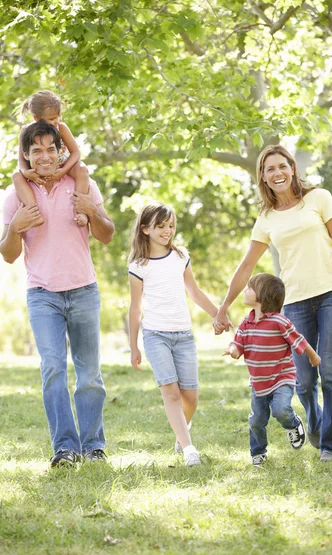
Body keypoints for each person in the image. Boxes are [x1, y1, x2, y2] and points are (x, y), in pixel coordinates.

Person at [214, 145, 332, 462]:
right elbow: (247, 266)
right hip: (293, 302)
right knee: (304, 382)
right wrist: (224, 306)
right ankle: (317, 425)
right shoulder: (265, 218)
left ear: (292, 168)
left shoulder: (319, 198)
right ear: (263, 178)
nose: (277, 173)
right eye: (270, 169)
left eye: (282, 166)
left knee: (330, 371)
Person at [0, 120, 115, 467]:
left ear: (60, 151)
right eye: (37, 150)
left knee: (89, 373)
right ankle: (65, 448)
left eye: (51, 149)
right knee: (52, 369)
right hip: (43, 294)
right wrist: (15, 229)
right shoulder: (14, 195)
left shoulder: (81, 184)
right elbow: (8, 254)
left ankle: (94, 446)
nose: (45, 156)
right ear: (26, 155)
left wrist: (93, 211)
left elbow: (107, 234)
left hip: (83, 290)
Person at [128, 202, 218, 467]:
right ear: (145, 229)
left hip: (184, 335)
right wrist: (134, 346)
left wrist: (217, 314)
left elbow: (195, 292)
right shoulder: (138, 265)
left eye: (170, 226)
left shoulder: (180, 257)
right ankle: (189, 449)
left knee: (191, 397)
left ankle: (181, 436)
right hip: (156, 335)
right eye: (160, 226)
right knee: (172, 393)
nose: (167, 231)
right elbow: (135, 308)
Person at [224, 273, 321, 466]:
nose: (245, 291)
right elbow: (238, 344)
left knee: (280, 409)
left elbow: (299, 339)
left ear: (263, 295)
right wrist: (233, 350)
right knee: (257, 420)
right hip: (259, 382)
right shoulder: (246, 323)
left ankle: (293, 424)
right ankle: (258, 452)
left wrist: (313, 356)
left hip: (282, 377)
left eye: (250, 288)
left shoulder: (279, 322)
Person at [13, 90, 89, 228]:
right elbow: (21, 161)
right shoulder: (26, 131)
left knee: (83, 170)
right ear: (37, 118)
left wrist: (63, 171)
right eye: (52, 118)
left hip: (64, 164)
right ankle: (33, 214)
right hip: (39, 166)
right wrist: (26, 172)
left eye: (59, 115)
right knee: (16, 177)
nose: (57, 120)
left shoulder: (61, 127)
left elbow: (76, 153)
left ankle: (81, 211)